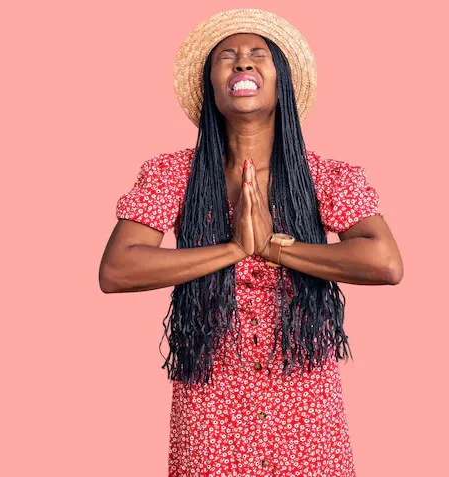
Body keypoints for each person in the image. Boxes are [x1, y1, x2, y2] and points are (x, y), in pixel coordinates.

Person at [99, 8, 403, 477]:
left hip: (305, 406)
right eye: (228, 57)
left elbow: (385, 262)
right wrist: (234, 249)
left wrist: (273, 248)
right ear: (210, 87)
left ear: (280, 80)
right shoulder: (171, 174)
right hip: (210, 405)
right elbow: (118, 270)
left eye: (257, 55)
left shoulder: (328, 176)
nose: (242, 64)